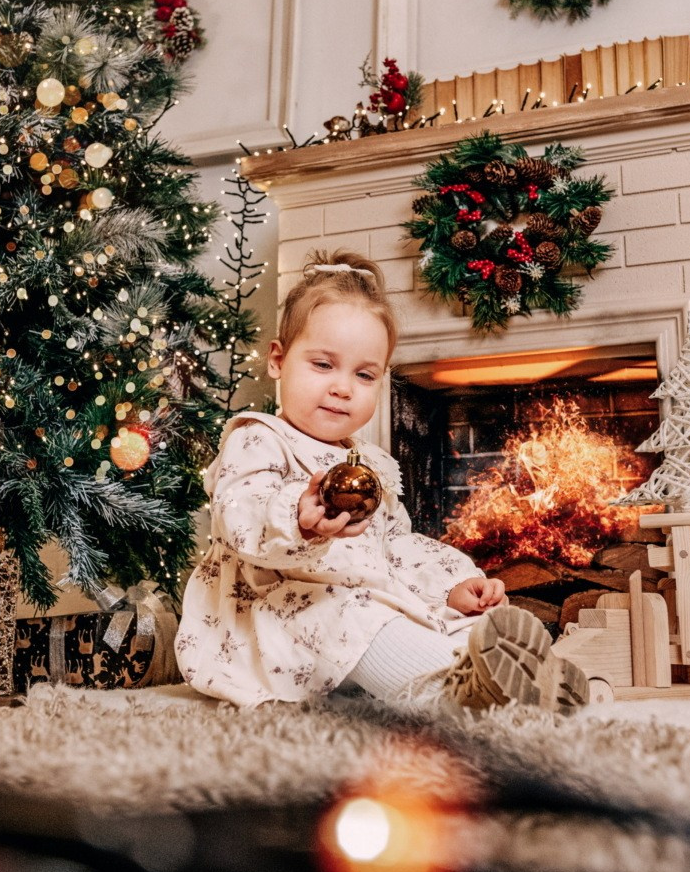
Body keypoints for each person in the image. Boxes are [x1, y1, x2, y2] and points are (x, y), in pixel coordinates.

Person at [176, 249, 587, 713]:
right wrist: (298, 516)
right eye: (323, 365)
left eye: (364, 374)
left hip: (367, 599)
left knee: (456, 621)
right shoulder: (259, 438)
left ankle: (523, 682)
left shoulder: (369, 463)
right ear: (277, 359)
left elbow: (398, 546)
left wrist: (451, 587)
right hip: (277, 614)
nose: (343, 387)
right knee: (350, 616)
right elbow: (240, 513)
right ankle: (450, 695)